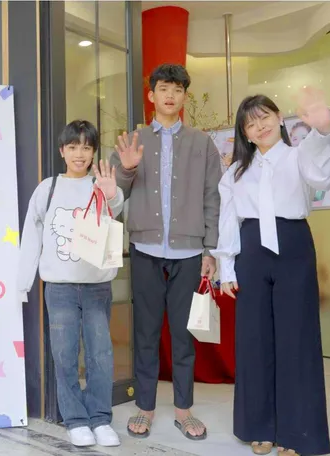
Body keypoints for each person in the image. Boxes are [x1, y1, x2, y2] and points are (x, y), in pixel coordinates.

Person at [213, 89, 330, 456]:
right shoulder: (235, 171)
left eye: (265, 117)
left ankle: (297, 434)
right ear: (245, 134)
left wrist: (323, 131)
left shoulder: (299, 155)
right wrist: (226, 268)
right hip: (251, 252)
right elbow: (228, 221)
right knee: (253, 341)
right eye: (250, 123)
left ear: (280, 119)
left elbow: (321, 178)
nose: (259, 126)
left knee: (297, 340)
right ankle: (259, 427)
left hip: (293, 246)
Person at [109, 63, 221, 440]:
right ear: (151, 95)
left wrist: (210, 249)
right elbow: (113, 196)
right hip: (144, 248)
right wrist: (126, 170)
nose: (170, 96)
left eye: (177, 90)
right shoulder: (133, 140)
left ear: (184, 96)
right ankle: (145, 407)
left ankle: (184, 410)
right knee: (146, 332)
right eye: (163, 89)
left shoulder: (202, 143)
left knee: (183, 335)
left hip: (189, 252)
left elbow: (212, 197)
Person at [17, 120, 124, 448]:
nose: (80, 154)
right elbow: (31, 235)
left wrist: (111, 194)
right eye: (73, 147)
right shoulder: (47, 188)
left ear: (94, 152)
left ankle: (100, 418)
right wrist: (23, 282)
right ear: (62, 151)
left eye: (87, 147)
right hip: (60, 287)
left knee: (100, 355)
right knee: (64, 354)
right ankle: (76, 420)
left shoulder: (101, 184)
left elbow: (116, 211)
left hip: (97, 286)